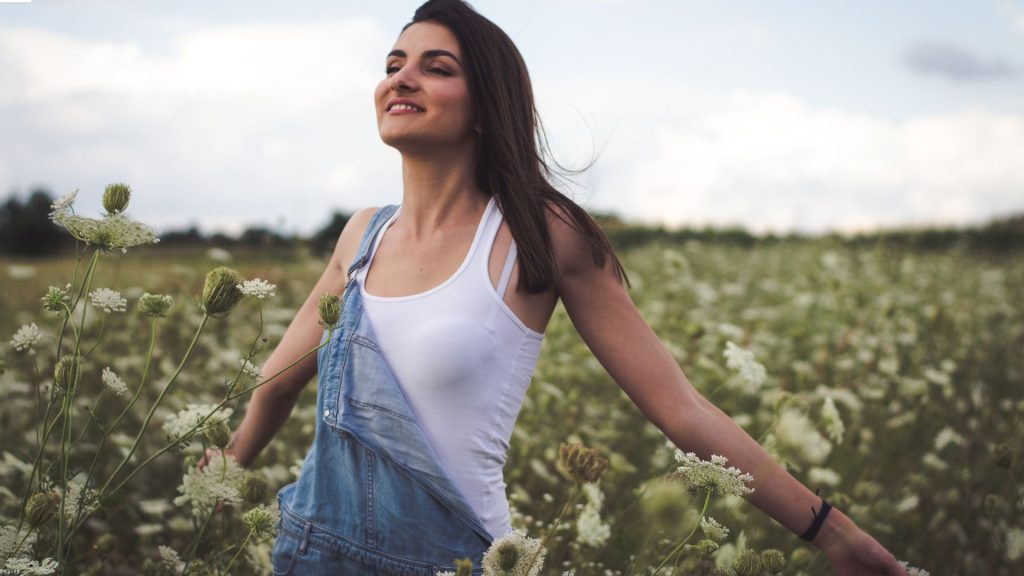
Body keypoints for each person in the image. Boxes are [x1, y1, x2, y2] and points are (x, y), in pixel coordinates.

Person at [201, 0, 909, 573]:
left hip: (453, 560)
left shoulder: (541, 234)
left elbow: (683, 410)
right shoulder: (363, 235)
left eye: (435, 67)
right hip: (307, 553)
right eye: (393, 64)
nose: (401, 78)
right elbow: (283, 380)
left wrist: (831, 531)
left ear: (485, 106)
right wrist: (227, 468)